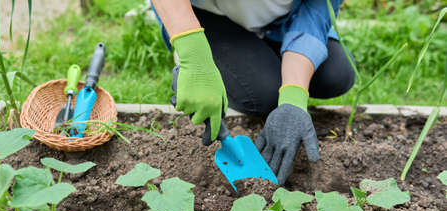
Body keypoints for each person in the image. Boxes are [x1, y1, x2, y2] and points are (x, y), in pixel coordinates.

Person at [151, 0, 355, 185]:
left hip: (280, 21)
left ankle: (259, 51)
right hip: (206, 15)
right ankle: (217, 49)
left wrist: (293, 96)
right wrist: (194, 57)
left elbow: (315, 15)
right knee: (264, 95)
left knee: (336, 75)